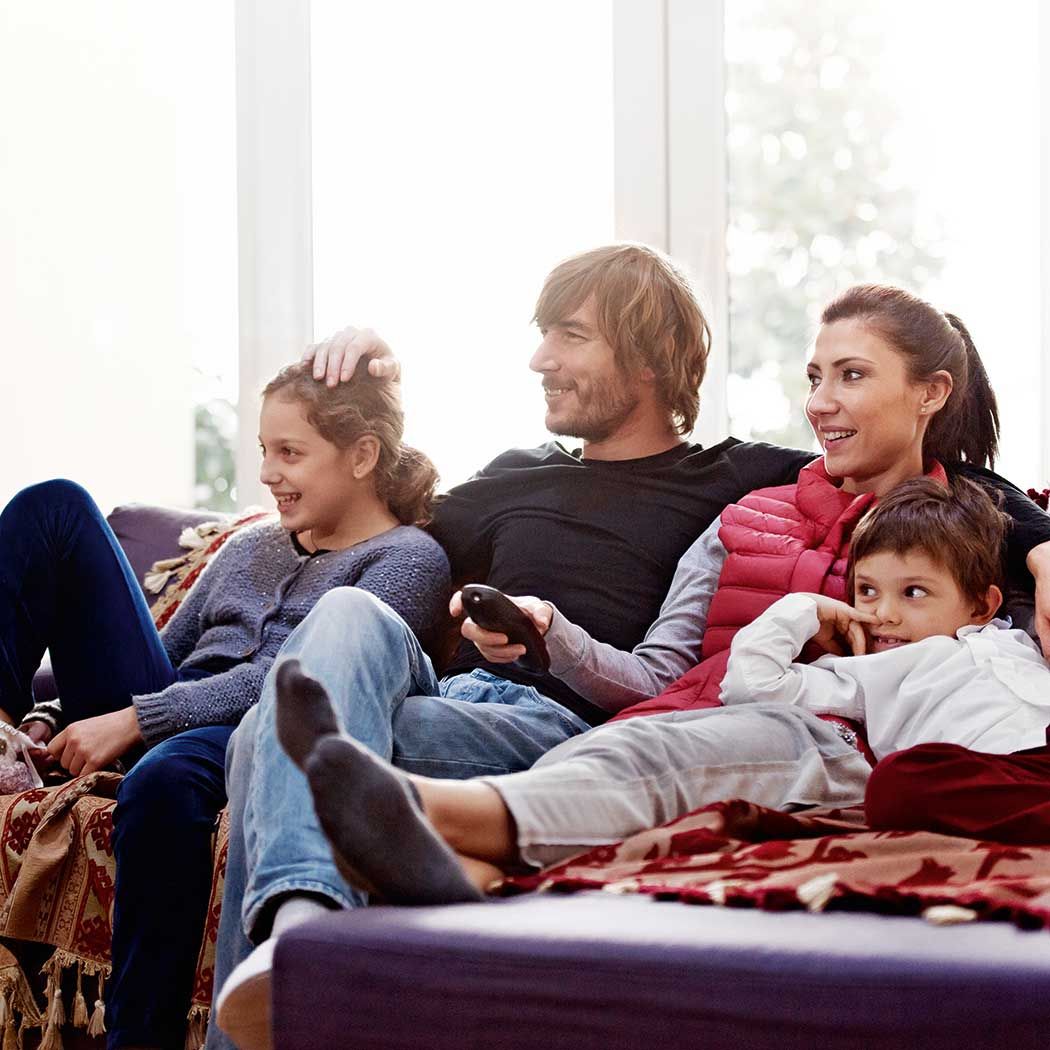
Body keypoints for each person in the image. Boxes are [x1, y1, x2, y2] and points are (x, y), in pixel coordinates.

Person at [211, 265, 1050, 1046]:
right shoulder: (750, 508)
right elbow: (367, 501)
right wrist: (374, 383)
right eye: (814, 378)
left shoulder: (948, 522)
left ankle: (323, 930)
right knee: (325, 651)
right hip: (580, 700)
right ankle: (304, 932)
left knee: (265, 742)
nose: (823, 402)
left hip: (757, 729)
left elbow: (966, 523)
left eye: (852, 375)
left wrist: (1041, 544)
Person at [271, 475, 1050, 906]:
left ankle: (429, 828)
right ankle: (426, 820)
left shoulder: (1018, 636)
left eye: (914, 595)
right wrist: (798, 611)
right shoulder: (866, 671)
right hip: (899, 761)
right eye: (870, 592)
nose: (883, 615)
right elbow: (753, 682)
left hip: (1021, 760)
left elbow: (994, 515)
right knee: (650, 749)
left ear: (983, 604)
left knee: (658, 752)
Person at [0, 360, 451, 1050]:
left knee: (163, 781)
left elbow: (294, 679)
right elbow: (161, 654)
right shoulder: (251, 546)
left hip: (253, 729)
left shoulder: (409, 559)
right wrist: (50, 717)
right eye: (264, 451)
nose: (268, 473)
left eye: (290, 453)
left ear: (362, 456)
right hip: (169, 711)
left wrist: (138, 720)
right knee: (54, 506)